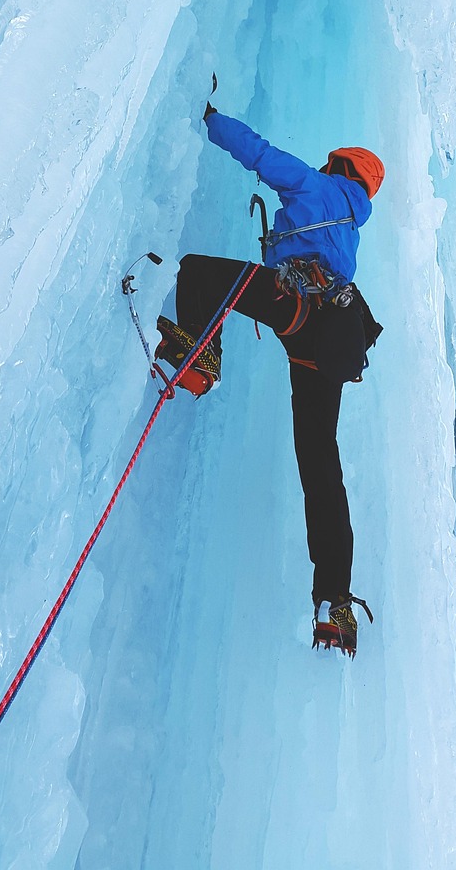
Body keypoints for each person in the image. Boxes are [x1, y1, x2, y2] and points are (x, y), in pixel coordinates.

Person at [157, 105, 383, 656]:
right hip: (325, 347)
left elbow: (258, 153)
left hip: (296, 308)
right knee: (320, 465)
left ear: (339, 167)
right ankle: (336, 600)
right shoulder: (351, 228)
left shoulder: (315, 186)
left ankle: (202, 357)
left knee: (198, 273)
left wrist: (207, 115)